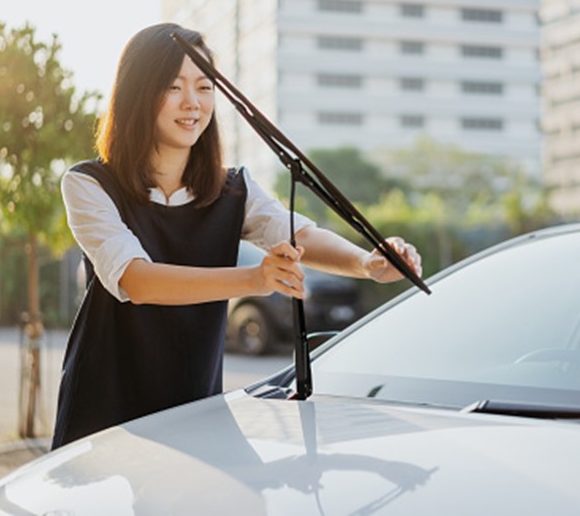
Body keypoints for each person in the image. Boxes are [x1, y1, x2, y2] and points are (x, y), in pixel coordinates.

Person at [51, 23, 422, 449]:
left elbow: (297, 232)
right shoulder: (90, 185)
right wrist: (254, 279)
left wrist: (366, 262)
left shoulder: (233, 190)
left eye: (204, 87)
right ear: (138, 92)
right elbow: (137, 281)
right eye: (173, 87)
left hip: (195, 409)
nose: (192, 102)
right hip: (104, 413)